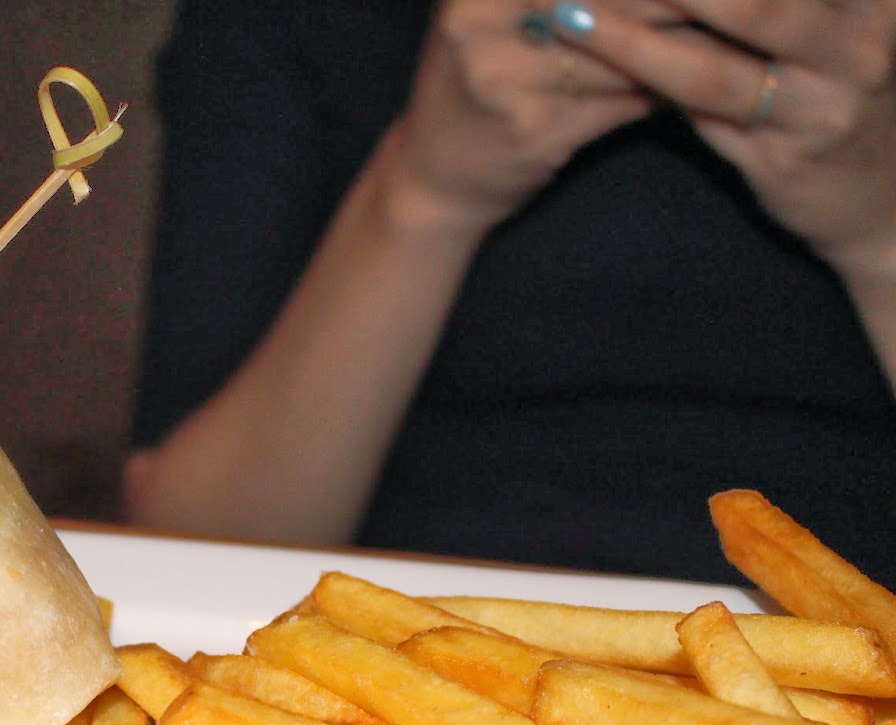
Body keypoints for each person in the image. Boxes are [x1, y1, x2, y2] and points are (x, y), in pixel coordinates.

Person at [124, 0, 896, 588]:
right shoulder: (300, 24)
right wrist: (424, 193)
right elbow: (192, 551)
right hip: (400, 666)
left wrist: (880, 236)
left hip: (857, 676)